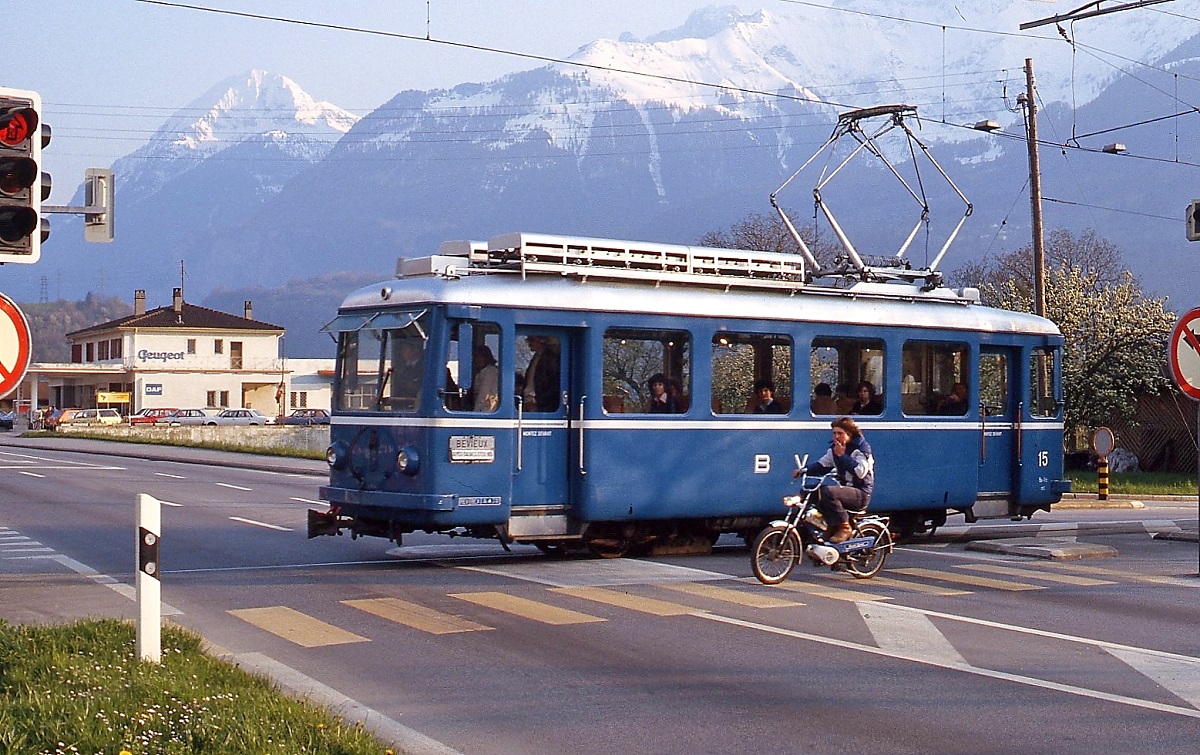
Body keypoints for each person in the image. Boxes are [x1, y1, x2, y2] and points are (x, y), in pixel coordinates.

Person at [796, 416, 875, 543]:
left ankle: (844, 526)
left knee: (828, 492)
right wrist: (803, 470)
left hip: (860, 493)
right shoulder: (834, 450)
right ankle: (828, 526)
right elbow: (822, 465)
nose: (836, 436)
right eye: (834, 433)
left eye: (840, 433)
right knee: (812, 491)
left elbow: (860, 472)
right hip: (845, 490)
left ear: (849, 434)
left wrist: (842, 456)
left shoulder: (861, 449)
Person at [522, 336, 560, 412]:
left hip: (540, 403)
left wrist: (539, 400)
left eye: (532, 340)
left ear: (541, 341)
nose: (529, 344)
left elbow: (554, 384)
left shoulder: (551, 359)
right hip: (527, 400)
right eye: (528, 340)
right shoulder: (535, 357)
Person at [471, 345, 500, 412]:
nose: (476, 360)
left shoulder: (489, 372)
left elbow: (484, 395)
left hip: (487, 410)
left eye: (478, 357)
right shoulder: (484, 372)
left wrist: (476, 412)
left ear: (486, 357)